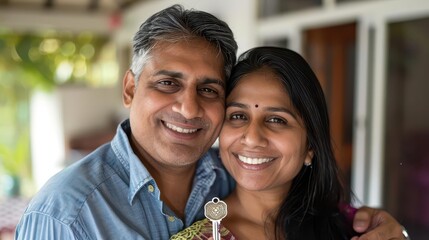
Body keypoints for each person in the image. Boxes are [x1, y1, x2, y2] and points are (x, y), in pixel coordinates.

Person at [15, 5, 406, 240]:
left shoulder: (229, 171)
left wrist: (392, 229)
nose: (187, 109)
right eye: (168, 83)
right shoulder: (66, 214)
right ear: (131, 88)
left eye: (208, 90)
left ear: (310, 146)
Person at [170, 47, 408, 240]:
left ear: (310, 147)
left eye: (276, 120)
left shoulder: (350, 226)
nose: (252, 137)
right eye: (238, 116)